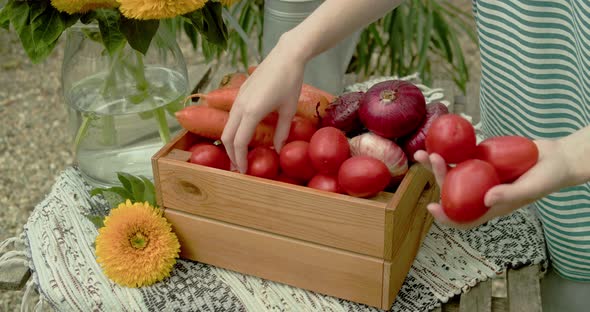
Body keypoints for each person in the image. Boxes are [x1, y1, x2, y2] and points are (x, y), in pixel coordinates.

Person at [220, 1, 590, 310]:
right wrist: (294, 45)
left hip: (578, 196)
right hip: (513, 149)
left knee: (569, 288)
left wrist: (571, 159)